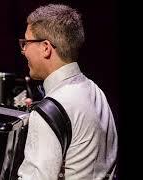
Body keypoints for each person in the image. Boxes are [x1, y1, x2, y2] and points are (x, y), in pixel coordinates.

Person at [17, 4, 118, 179]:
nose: (23, 50)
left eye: (26, 43)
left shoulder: (49, 111)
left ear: (46, 48)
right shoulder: (96, 92)